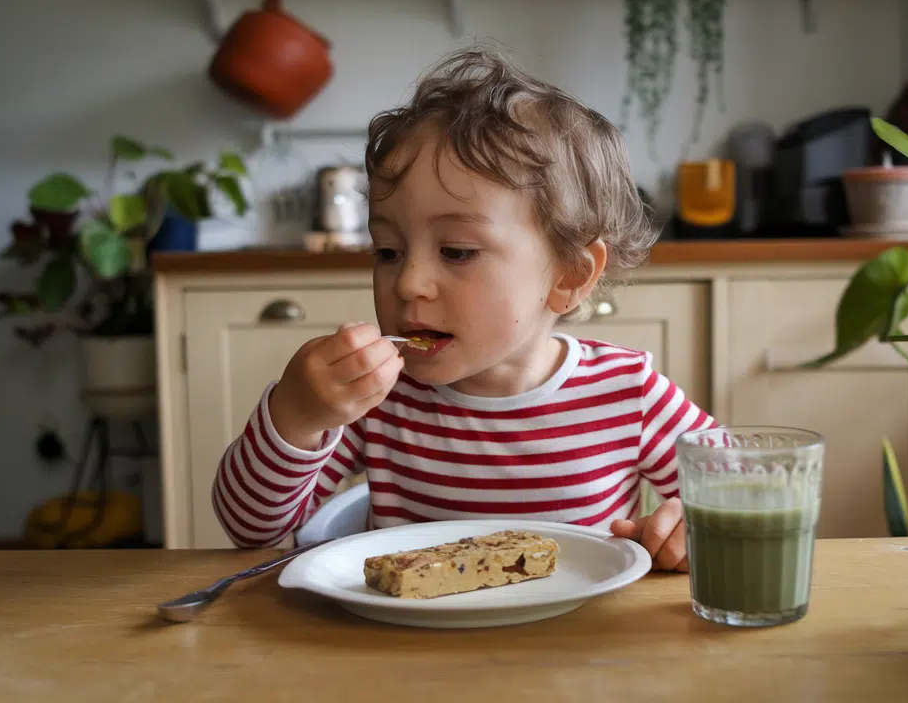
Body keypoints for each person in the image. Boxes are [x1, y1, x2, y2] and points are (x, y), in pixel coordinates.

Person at [211, 45, 715, 572]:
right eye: (388, 251)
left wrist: (690, 523)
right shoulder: (381, 400)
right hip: (407, 649)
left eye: (457, 251)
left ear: (569, 275)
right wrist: (295, 416)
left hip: (574, 649)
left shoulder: (626, 392)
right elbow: (251, 530)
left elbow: (743, 486)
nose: (408, 283)